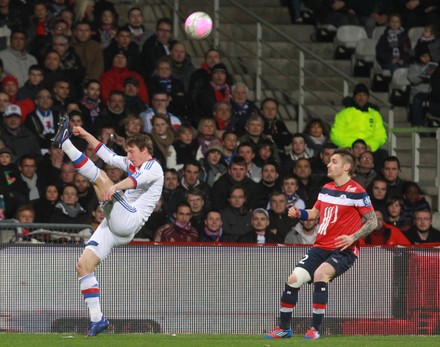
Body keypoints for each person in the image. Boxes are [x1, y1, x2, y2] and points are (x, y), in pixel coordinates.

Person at [51, 112, 163, 336]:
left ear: (145, 150)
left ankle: (64, 143)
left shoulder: (154, 168)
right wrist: (85, 134)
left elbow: (134, 181)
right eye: (128, 151)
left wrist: (113, 187)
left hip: (128, 220)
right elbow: (107, 153)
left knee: (100, 177)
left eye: (132, 151)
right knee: (83, 266)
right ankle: (97, 320)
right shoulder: (132, 163)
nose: (128, 155)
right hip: (114, 225)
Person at [265, 148, 377, 340]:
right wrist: (299, 213)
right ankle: (284, 329)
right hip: (320, 246)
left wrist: (353, 238)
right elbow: (315, 213)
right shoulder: (326, 188)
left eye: (334, 161)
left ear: (346, 166)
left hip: (344, 249)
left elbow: (373, 221)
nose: (328, 164)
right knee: (293, 279)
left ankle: (315, 329)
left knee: (320, 274)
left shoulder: (357, 192)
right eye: (329, 161)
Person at [330, 83, 387, 153]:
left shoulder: (375, 115)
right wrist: (355, 146)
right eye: (358, 95)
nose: (361, 98)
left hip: (368, 149)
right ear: (354, 97)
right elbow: (335, 135)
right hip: (348, 149)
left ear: (367, 97)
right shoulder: (344, 114)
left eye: (364, 95)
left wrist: (370, 146)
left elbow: (381, 136)